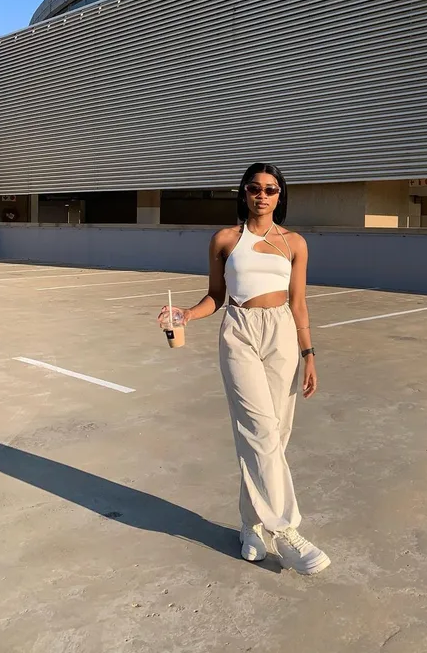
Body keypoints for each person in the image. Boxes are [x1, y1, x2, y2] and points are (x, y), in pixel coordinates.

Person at [158, 162, 330, 576]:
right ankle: (286, 531)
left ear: (280, 195)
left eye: (271, 189)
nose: (262, 195)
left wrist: (309, 353)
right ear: (243, 192)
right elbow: (216, 295)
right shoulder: (225, 239)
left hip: (282, 334)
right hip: (240, 331)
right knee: (258, 430)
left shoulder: (295, 243)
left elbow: (299, 303)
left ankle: (251, 525)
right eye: (254, 188)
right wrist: (186, 314)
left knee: (275, 435)